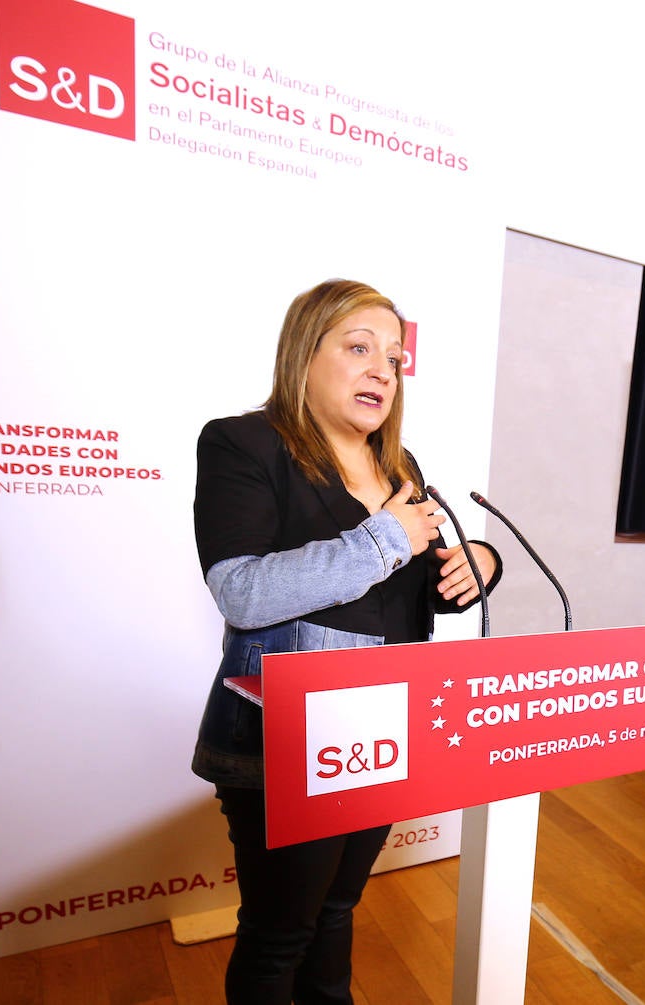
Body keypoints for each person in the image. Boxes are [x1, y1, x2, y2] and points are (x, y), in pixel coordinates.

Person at [190, 278, 501, 1005]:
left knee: (337, 909)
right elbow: (242, 589)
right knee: (279, 934)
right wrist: (388, 536)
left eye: (393, 359)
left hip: (385, 727)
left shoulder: (401, 466)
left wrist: (477, 565)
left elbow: (406, 596)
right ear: (304, 354)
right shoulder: (243, 443)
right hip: (286, 735)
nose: (381, 371)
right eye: (359, 348)